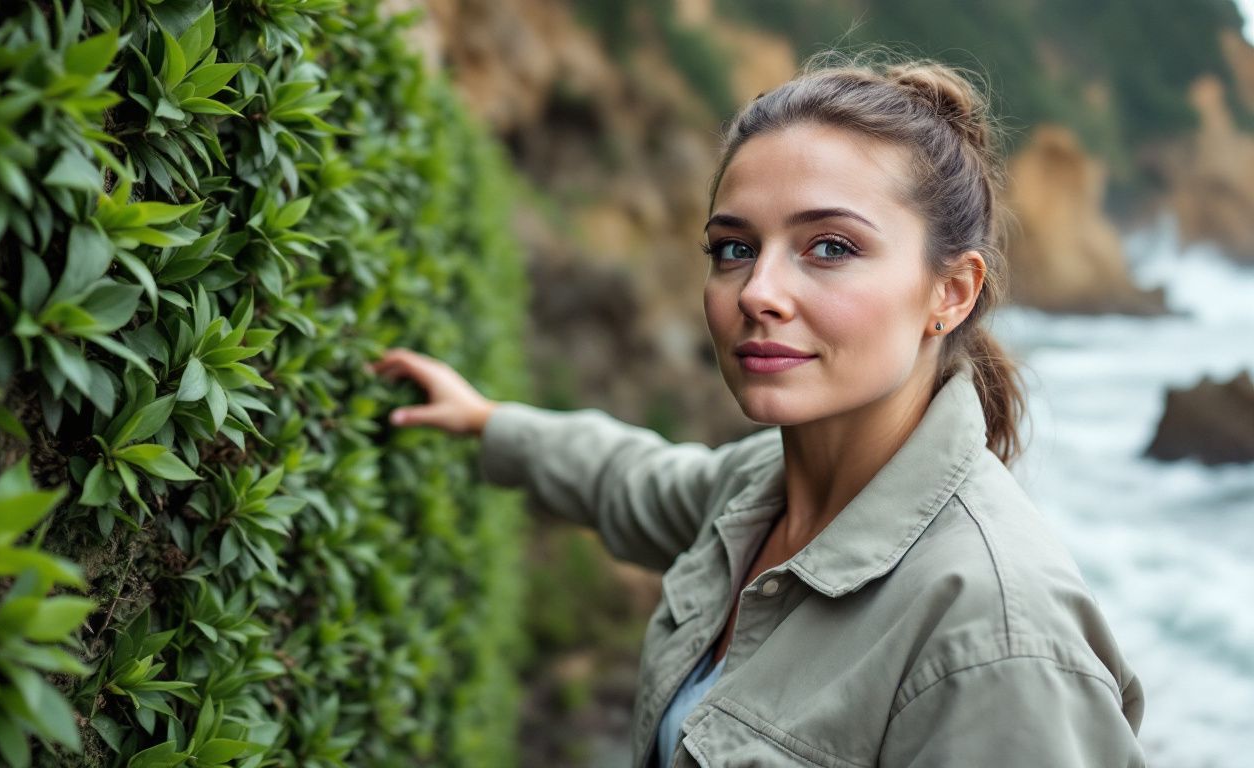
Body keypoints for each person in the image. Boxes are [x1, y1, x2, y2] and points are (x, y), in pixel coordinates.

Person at [373, 53, 1146, 768]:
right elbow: (631, 480)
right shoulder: (761, 489)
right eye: (734, 248)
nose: (757, 293)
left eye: (831, 247)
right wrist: (486, 423)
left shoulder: (996, 634)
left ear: (950, 292)